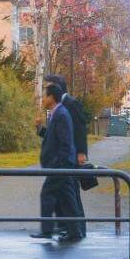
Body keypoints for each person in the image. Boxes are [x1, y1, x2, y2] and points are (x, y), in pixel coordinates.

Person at [31, 84, 82, 243]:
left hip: (61, 166)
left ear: (52, 97)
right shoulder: (57, 113)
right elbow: (53, 137)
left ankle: (47, 231)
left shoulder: (60, 114)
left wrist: (58, 164)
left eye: (45, 96)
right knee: (67, 199)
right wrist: (40, 129)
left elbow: (66, 143)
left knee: (47, 194)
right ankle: (75, 232)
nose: (43, 99)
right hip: (61, 165)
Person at [42, 74, 88, 237]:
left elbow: (80, 128)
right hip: (63, 158)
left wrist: (81, 152)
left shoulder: (70, 103)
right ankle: (68, 228)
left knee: (71, 194)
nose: (45, 91)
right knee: (65, 195)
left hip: (69, 157)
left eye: (47, 87)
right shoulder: (58, 106)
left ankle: (76, 229)